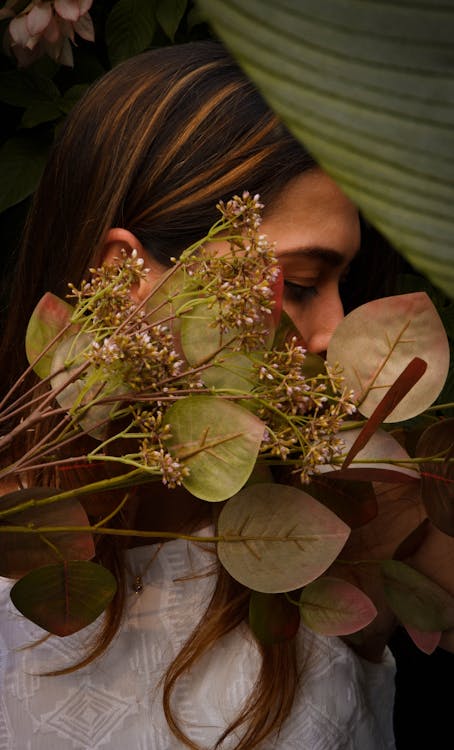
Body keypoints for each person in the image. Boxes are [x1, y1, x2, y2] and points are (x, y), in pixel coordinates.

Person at [0, 41, 402, 749]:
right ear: (125, 281)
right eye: (301, 284)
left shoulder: (356, 539)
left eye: (346, 289)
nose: (335, 334)